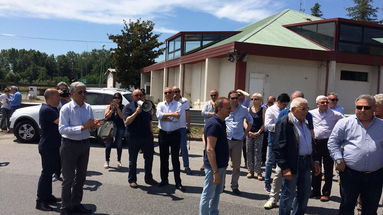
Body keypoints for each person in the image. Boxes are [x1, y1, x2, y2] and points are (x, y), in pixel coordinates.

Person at [328, 95, 383, 215]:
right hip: (350, 174)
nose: (362, 110)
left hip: (375, 175)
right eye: (359, 107)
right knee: (347, 206)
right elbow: (333, 142)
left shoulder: (381, 125)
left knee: (371, 208)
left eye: (366, 107)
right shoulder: (344, 122)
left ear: (374, 108)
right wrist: (338, 159)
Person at [58, 82, 102, 215]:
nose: (84, 95)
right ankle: (65, 207)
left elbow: (90, 124)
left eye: (85, 92)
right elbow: (62, 129)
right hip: (69, 145)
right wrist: (82, 127)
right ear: (71, 94)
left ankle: (76, 203)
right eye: (80, 92)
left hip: (84, 144)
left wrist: (94, 126)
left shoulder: (88, 107)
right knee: (68, 179)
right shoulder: (66, 109)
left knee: (81, 177)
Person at [274, 97, 320, 215]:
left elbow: (311, 142)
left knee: (304, 195)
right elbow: (278, 147)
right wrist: (285, 168)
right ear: (293, 109)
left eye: (307, 108)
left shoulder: (305, 122)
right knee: (288, 195)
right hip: (292, 163)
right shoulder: (285, 122)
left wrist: (315, 161)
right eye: (303, 108)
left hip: (306, 162)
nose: (306, 111)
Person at [264, 91, 307, 209]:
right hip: (286, 154)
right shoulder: (284, 114)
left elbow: (311, 134)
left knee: (300, 184)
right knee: (279, 174)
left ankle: (293, 203)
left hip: (302, 158)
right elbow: (279, 133)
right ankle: (273, 197)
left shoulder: (307, 116)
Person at [199, 97, 231, 215]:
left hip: (220, 166)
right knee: (208, 195)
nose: (230, 109)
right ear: (219, 108)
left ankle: (213, 213)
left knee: (216, 193)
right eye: (228, 107)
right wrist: (215, 172)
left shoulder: (221, 122)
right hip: (214, 168)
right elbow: (210, 149)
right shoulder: (214, 124)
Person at [309, 95, 343, 202]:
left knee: (328, 169)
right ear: (317, 104)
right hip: (315, 143)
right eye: (322, 102)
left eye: (326, 102)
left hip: (328, 143)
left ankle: (326, 193)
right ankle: (315, 191)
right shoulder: (310, 113)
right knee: (316, 167)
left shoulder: (335, 114)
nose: (325, 104)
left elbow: (346, 123)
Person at [123, 89, 158, 188]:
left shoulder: (146, 106)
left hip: (146, 136)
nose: (139, 97)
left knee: (149, 158)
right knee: (133, 159)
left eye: (141, 95)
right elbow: (127, 122)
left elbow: (149, 121)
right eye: (136, 95)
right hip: (133, 136)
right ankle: (132, 179)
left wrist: (152, 134)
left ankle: (148, 178)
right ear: (132, 96)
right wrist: (136, 113)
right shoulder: (128, 107)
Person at [35, 89, 61, 211]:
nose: (59, 98)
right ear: (50, 97)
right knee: (46, 173)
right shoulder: (47, 110)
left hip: (52, 145)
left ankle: (48, 196)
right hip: (48, 146)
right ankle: (40, 201)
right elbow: (61, 122)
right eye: (57, 96)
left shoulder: (52, 108)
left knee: (50, 172)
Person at [156, 88, 185, 192]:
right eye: (165, 93)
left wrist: (165, 116)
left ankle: (178, 182)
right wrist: (171, 114)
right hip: (163, 134)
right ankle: (164, 180)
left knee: (175, 159)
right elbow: (158, 116)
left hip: (174, 134)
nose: (167, 94)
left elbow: (176, 117)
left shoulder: (178, 105)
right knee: (163, 158)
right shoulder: (160, 104)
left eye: (169, 92)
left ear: (173, 94)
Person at [225, 90, 253, 195]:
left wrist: (245, 134)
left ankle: (234, 186)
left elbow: (250, 121)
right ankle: (221, 185)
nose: (235, 100)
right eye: (232, 98)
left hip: (237, 141)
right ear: (229, 99)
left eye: (236, 98)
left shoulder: (244, 109)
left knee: (236, 166)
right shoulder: (225, 108)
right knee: (223, 165)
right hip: (226, 140)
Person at [264, 93, 290, 193]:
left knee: (282, 161)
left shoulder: (286, 110)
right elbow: (267, 126)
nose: (285, 107)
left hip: (284, 138)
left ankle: (282, 183)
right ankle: (267, 181)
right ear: (278, 102)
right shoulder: (270, 110)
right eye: (284, 104)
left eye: (286, 105)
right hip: (273, 137)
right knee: (270, 161)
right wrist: (280, 126)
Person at [52, 82, 71, 182]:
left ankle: (66, 171)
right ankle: (56, 173)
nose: (63, 91)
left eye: (64, 89)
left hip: (66, 128)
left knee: (65, 152)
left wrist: (67, 98)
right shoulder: (55, 99)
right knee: (56, 152)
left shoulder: (68, 99)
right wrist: (58, 96)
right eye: (61, 89)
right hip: (56, 127)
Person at [172, 86, 192, 175]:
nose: (176, 93)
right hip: (172, 127)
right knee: (173, 149)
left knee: (183, 148)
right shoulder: (170, 101)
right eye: (174, 91)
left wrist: (189, 125)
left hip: (182, 127)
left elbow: (187, 114)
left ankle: (186, 166)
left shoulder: (185, 101)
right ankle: (174, 166)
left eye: (178, 91)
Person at [245, 93, 265, 180]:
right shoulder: (248, 109)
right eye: (252, 99)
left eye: (256, 99)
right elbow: (245, 121)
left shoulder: (263, 110)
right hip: (249, 133)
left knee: (258, 152)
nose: (253, 101)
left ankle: (259, 172)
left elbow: (264, 123)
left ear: (260, 101)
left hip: (259, 134)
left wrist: (258, 132)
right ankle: (250, 171)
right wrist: (248, 131)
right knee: (249, 152)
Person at [103, 92, 125, 169]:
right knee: (108, 145)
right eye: (115, 98)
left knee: (119, 144)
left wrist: (118, 108)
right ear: (113, 99)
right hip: (110, 127)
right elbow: (106, 116)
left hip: (119, 127)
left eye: (118, 98)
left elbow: (122, 116)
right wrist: (112, 109)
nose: (117, 99)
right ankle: (107, 161)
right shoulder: (109, 106)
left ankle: (119, 161)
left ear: (121, 99)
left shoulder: (123, 107)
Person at [200, 89, 219, 172]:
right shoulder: (207, 103)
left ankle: (215, 164)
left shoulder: (219, 103)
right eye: (212, 95)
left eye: (215, 95)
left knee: (216, 147)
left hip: (217, 127)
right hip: (207, 128)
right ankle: (205, 163)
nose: (213, 97)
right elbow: (203, 113)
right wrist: (212, 114)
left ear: (217, 95)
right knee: (206, 147)